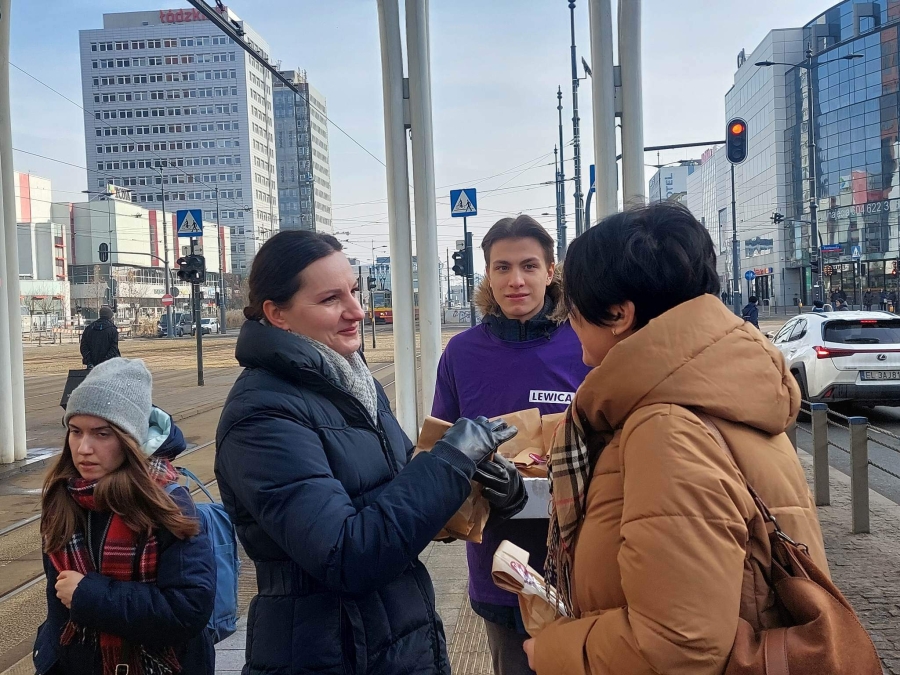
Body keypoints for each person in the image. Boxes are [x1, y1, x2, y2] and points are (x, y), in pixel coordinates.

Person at [524, 202, 828, 674]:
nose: (569, 322)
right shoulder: (714, 387)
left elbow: (676, 645)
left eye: (574, 309)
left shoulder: (666, 428)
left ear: (618, 314)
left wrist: (551, 651)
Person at [215, 230, 520, 675]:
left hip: (390, 639)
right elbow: (347, 556)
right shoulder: (262, 415)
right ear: (277, 314)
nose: (356, 311)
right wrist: (449, 462)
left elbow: (395, 498)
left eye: (353, 291)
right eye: (330, 299)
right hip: (327, 652)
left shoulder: (352, 384)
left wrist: (486, 487)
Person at [432, 215, 592, 675]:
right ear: (487, 273)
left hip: (583, 566)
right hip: (501, 572)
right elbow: (439, 454)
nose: (515, 280)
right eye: (502, 267)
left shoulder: (585, 342)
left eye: (529, 266)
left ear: (550, 271)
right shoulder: (461, 353)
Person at [35, 358, 217, 675]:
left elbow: (188, 609)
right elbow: (59, 610)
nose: (84, 448)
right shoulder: (63, 498)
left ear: (130, 439)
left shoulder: (166, 503)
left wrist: (89, 595)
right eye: (75, 431)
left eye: (102, 434)